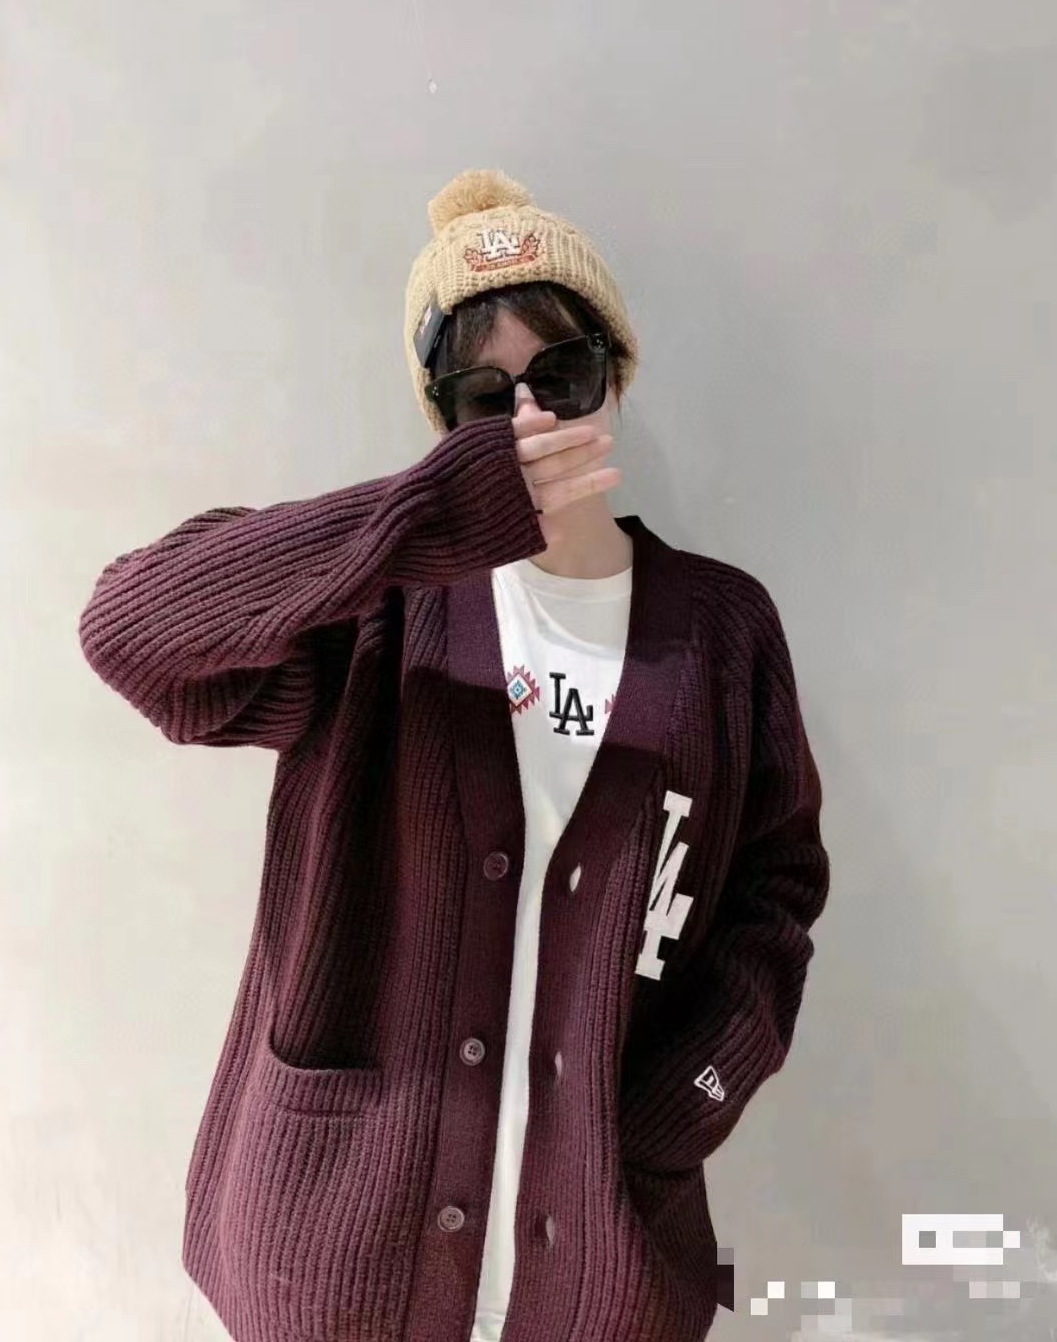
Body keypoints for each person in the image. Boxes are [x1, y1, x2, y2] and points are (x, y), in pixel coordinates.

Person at [78, 167, 830, 1342]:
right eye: (483, 398)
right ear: (442, 429)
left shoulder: (722, 627)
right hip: (341, 1248)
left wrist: (674, 1110)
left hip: (599, 1259)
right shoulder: (373, 614)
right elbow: (132, 631)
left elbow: (773, 890)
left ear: (617, 375)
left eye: (562, 374)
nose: (531, 418)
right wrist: (427, 518)